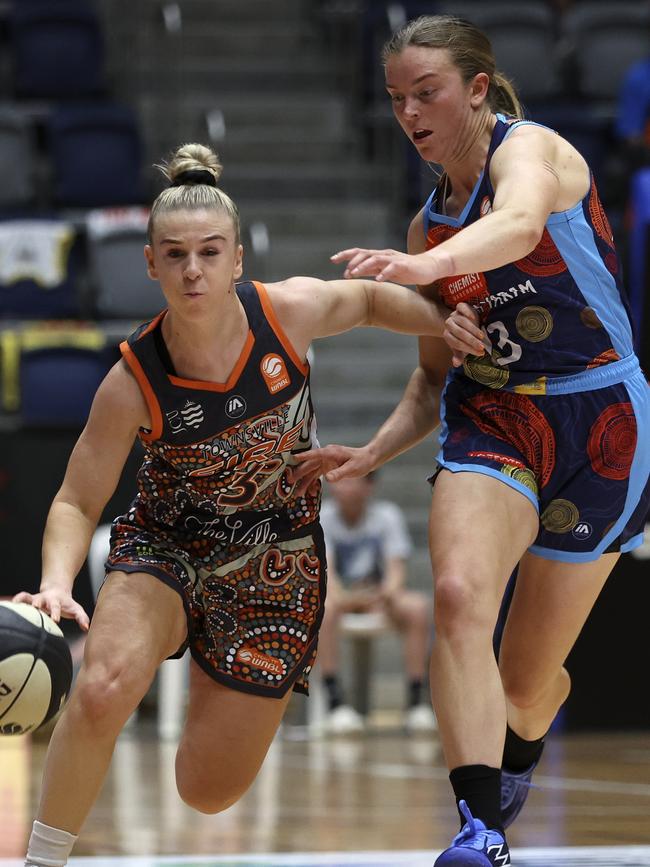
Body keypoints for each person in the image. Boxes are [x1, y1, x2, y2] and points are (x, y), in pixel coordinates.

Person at [12, 143, 486, 867]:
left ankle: (211, 655)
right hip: (168, 543)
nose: (192, 269)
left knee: (207, 790)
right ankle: (42, 861)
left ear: (238, 258)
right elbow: (78, 498)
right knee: (103, 687)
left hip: (277, 557)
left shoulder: (287, 311)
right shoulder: (132, 379)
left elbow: (361, 299)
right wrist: (53, 581)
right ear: (150, 264)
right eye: (174, 255)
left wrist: (437, 321)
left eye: (209, 252)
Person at [292, 15, 650, 867]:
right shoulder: (427, 230)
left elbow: (522, 226)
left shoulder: (534, 152)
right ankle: (479, 830)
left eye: (428, 92)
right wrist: (371, 454)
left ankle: (512, 752)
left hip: (601, 419)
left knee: (528, 686)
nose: (409, 113)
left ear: (478, 90)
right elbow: (427, 379)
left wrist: (420, 273)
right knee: (455, 594)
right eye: (396, 99)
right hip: (493, 418)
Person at [318, 473, 436, 734]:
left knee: (417, 607)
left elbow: (396, 573)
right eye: (338, 480)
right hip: (341, 598)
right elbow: (328, 575)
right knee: (322, 610)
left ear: (369, 486)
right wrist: (348, 597)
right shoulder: (323, 516)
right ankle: (335, 702)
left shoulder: (386, 516)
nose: (342, 486)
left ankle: (417, 704)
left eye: (350, 480)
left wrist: (383, 594)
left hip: (379, 598)